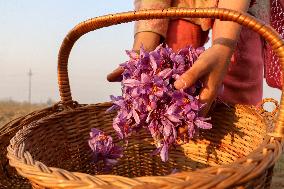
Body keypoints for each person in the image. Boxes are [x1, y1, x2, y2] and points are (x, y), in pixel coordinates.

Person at [107, 0, 283, 116]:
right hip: (180, 4)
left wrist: (224, 45)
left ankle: (243, 165)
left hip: (244, 4)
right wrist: (143, 49)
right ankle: (182, 161)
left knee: (240, 85)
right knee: (173, 81)